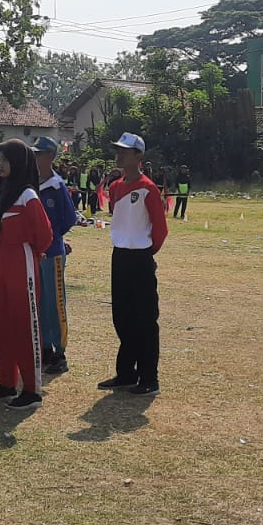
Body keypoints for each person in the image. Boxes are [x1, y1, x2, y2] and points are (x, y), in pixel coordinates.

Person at [0, 139, 53, 410]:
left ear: (19, 162)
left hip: (21, 259)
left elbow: (44, 233)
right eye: (0, 159)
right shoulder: (3, 190)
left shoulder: (27, 195)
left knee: (24, 322)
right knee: (2, 322)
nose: (1, 165)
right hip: (0, 257)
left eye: (6, 160)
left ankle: (31, 389)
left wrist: (35, 252)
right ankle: (6, 382)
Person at [100, 132, 169, 396]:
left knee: (145, 319)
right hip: (120, 256)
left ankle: (149, 377)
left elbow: (160, 229)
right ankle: (126, 373)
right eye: (118, 150)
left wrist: (146, 252)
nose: (119, 155)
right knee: (122, 316)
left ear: (138, 156)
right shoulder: (115, 187)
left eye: (125, 151)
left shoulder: (148, 188)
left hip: (140, 257)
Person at [31, 137, 77, 374]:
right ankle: (44, 346)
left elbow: (69, 218)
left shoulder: (57, 186)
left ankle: (59, 352)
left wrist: (53, 237)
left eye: (38, 154)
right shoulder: (32, 184)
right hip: (34, 253)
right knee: (39, 301)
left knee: (55, 303)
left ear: (50, 156)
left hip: (52, 253)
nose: (35, 158)